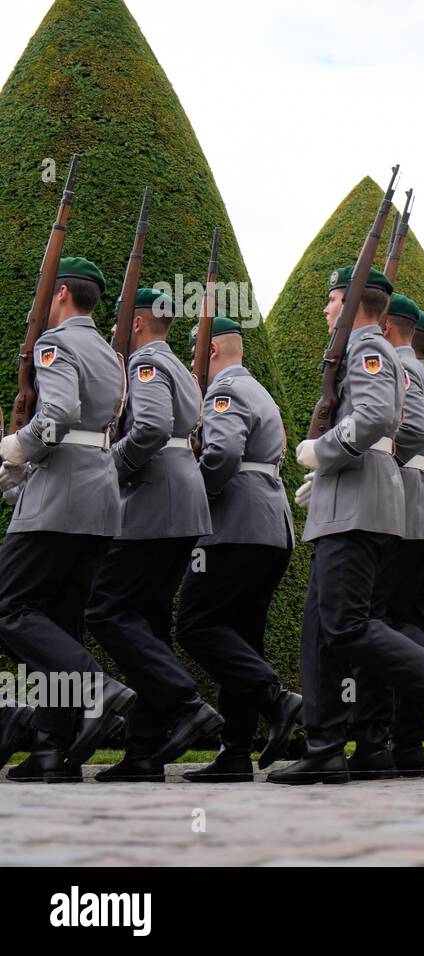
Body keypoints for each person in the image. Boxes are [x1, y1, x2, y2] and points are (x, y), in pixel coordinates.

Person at [271, 265, 424, 784]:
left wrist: (322, 452)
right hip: (349, 496)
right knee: (321, 630)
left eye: (332, 300)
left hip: (360, 499)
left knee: (348, 624)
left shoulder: (367, 349)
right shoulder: (365, 351)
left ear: (352, 305)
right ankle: (327, 744)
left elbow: (375, 417)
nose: (326, 309)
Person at [0, 257, 136, 782]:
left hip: (58, 498)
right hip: (99, 498)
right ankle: (53, 750)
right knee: (60, 621)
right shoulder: (109, 352)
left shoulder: (54, 344)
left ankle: (94, 685)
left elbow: (55, 418)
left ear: (58, 294)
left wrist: (17, 448)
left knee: (8, 605)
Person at [86, 287, 222, 782]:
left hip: (152, 500)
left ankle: (185, 700)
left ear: (137, 323)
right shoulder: (178, 367)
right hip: (182, 501)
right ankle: (144, 752)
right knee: (148, 620)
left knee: (104, 608)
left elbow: (148, 428)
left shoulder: (144, 363)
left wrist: (112, 469)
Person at [177, 317, 302, 782]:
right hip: (268, 529)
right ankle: (234, 753)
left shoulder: (223, 391)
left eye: (193, 352)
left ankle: (276, 700)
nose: (192, 362)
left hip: (234, 528)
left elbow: (223, 454)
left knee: (196, 624)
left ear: (210, 352)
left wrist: (196, 493)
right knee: (240, 639)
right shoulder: (259, 389)